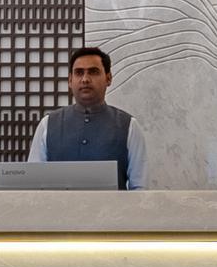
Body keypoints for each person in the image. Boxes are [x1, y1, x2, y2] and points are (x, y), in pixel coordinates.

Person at [28, 43, 142, 187]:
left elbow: (140, 188)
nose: (85, 79)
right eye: (79, 72)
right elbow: (33, 185)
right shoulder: (47, 124)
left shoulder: (129, 126)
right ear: (70, 80)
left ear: (108, 78)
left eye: (93, 72)